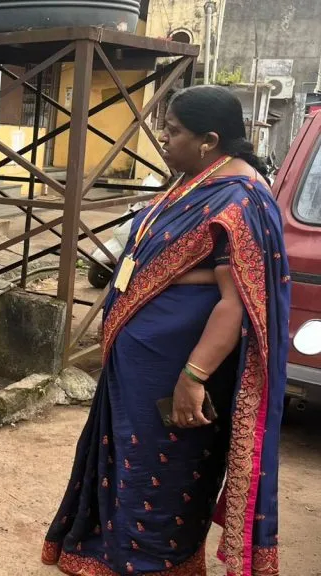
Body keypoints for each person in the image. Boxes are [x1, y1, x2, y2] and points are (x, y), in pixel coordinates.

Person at [42, 85, 289, 575]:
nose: (162, 138)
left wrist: (192, 377)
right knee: (127, 464)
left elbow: (236, 301)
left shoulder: (242, 200)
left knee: (162, 472)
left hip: (175, 375)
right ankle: (110, 553)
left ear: (209, 139)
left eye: (172, 130)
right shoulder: (194, 181)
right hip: (137, 369)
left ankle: (156, 565)